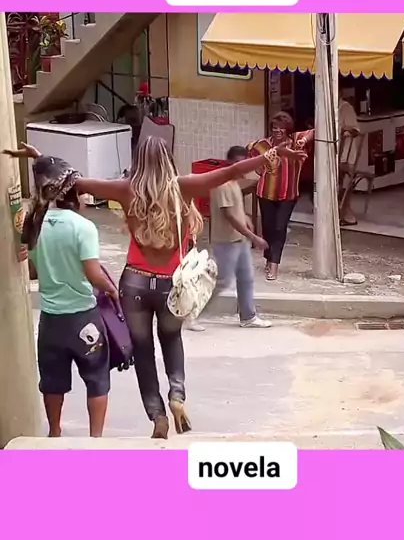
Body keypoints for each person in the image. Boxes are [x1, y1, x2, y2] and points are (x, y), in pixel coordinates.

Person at [6, 137, 306, 439]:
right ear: (168, 159)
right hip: (170, 285)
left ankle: (157, 415)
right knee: (171, 338)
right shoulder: (184, 187)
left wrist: (40, 158)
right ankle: (177, 394)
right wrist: (272, 154)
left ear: (138, 160)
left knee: (143, 351)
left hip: (134, 282)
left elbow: (71, 181)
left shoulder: (125, 189)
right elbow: (231, 171)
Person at [8, 153, 118, 438]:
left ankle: (54, 433)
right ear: (73, 192)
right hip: (83, 318)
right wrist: (112, 290)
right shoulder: (83, 227)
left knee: (52, 382)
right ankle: (95, 438)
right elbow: (93, 273)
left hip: (50, 321)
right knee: (97, 378)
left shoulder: (34, 224)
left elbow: (32, 265)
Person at [196, 145, 272, 330]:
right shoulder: (222, 184)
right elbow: (229, 216)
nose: (241, 167)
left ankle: (248, 317)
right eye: (237, 163)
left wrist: (246, 218)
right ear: (229, 162)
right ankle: (191, 313)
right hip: (226, 241)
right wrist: (253, 237)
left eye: (244, 162)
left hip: (239, 240)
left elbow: (236, 210)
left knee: (246, 278)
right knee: (222, 281)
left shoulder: (235, 182)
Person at [248, 111, 314, 281]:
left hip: (289, 195)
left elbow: (316, 131)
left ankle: (274, 265)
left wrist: (305, 140)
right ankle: (269, 258)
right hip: (266, 194)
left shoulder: (296, 142)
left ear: (288, 129)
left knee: (279, 228)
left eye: (281, 128)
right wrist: (260, 168)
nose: (278, 131)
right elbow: (251, 153)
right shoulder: (263, 144)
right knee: (268, 228)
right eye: (275, 127)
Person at [339, 93, 361, 226]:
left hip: (346, 156)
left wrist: (345, 130)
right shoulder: (328, 108)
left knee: (344, 185)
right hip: (334, 154)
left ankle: (347, 215)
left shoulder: (346, 108)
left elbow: (355, 130)